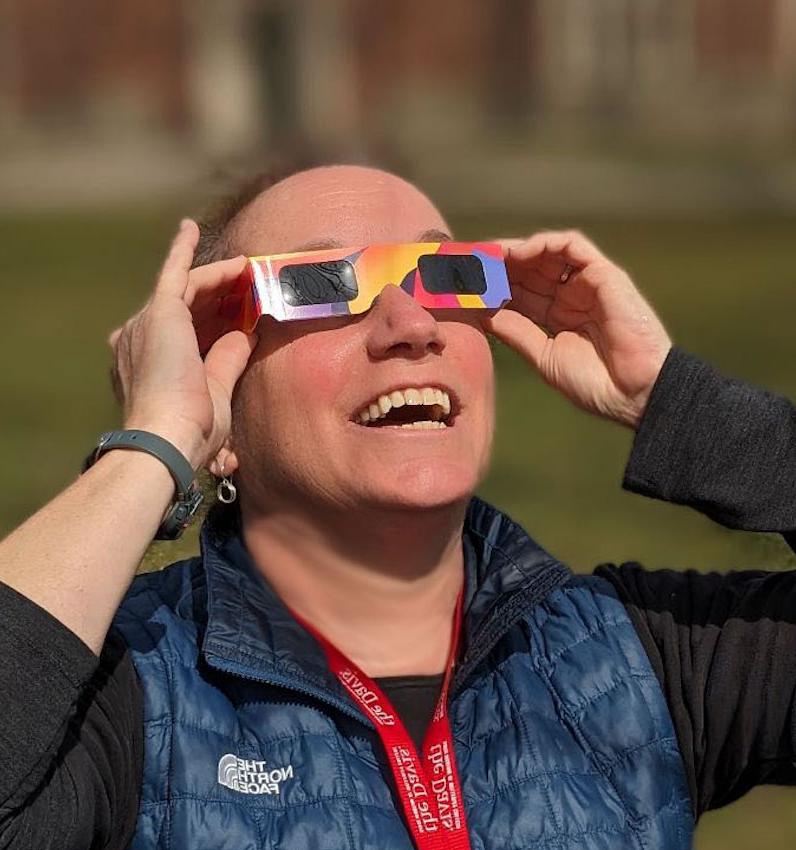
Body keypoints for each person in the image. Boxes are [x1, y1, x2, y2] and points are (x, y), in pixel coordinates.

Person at [0, 164, 794, 850]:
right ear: (222, 411)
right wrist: (154, 445)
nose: (412, 325)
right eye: (318, 285)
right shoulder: (129, 695)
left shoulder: (640, 660)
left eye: (445, 276)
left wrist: (673, 400)